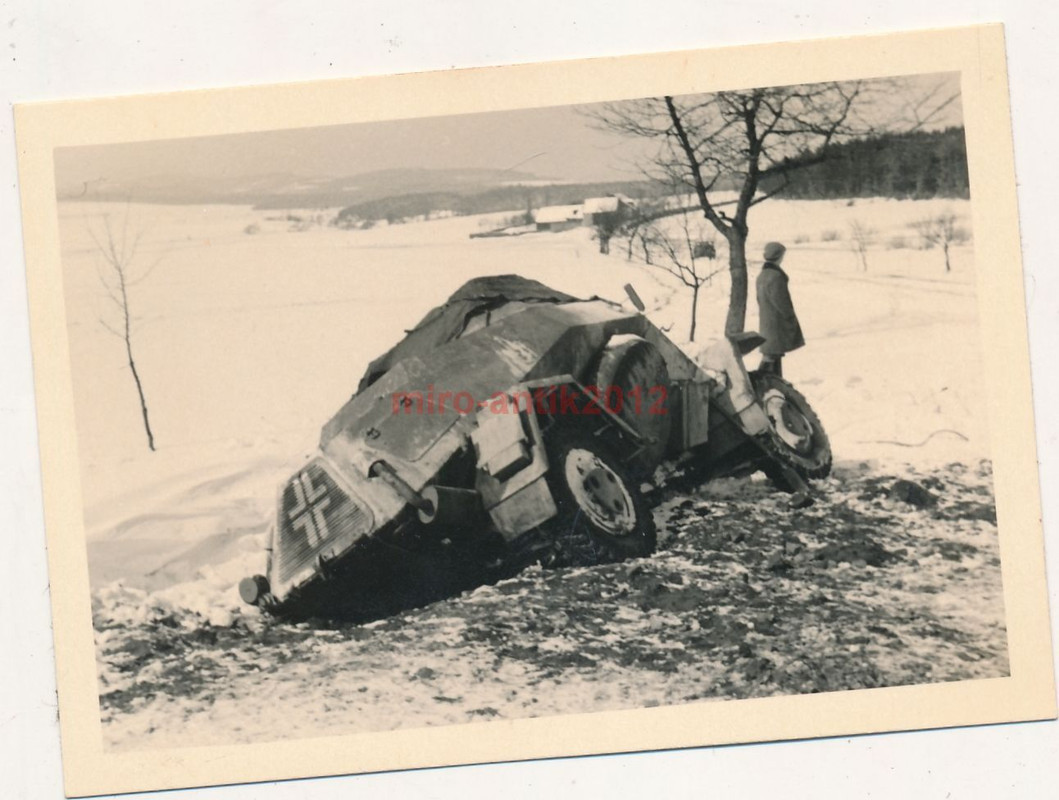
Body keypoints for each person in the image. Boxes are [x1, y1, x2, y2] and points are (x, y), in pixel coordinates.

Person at [756, 241, 804, 377]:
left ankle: (774, 383)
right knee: (771, 356)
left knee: (772, 354)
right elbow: (782, 302)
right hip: (776, 323)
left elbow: (759, 300)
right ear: (779, 256)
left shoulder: (762, 275)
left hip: (767, 321)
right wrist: (790, 317)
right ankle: (767, 383)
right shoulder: (775, 276)